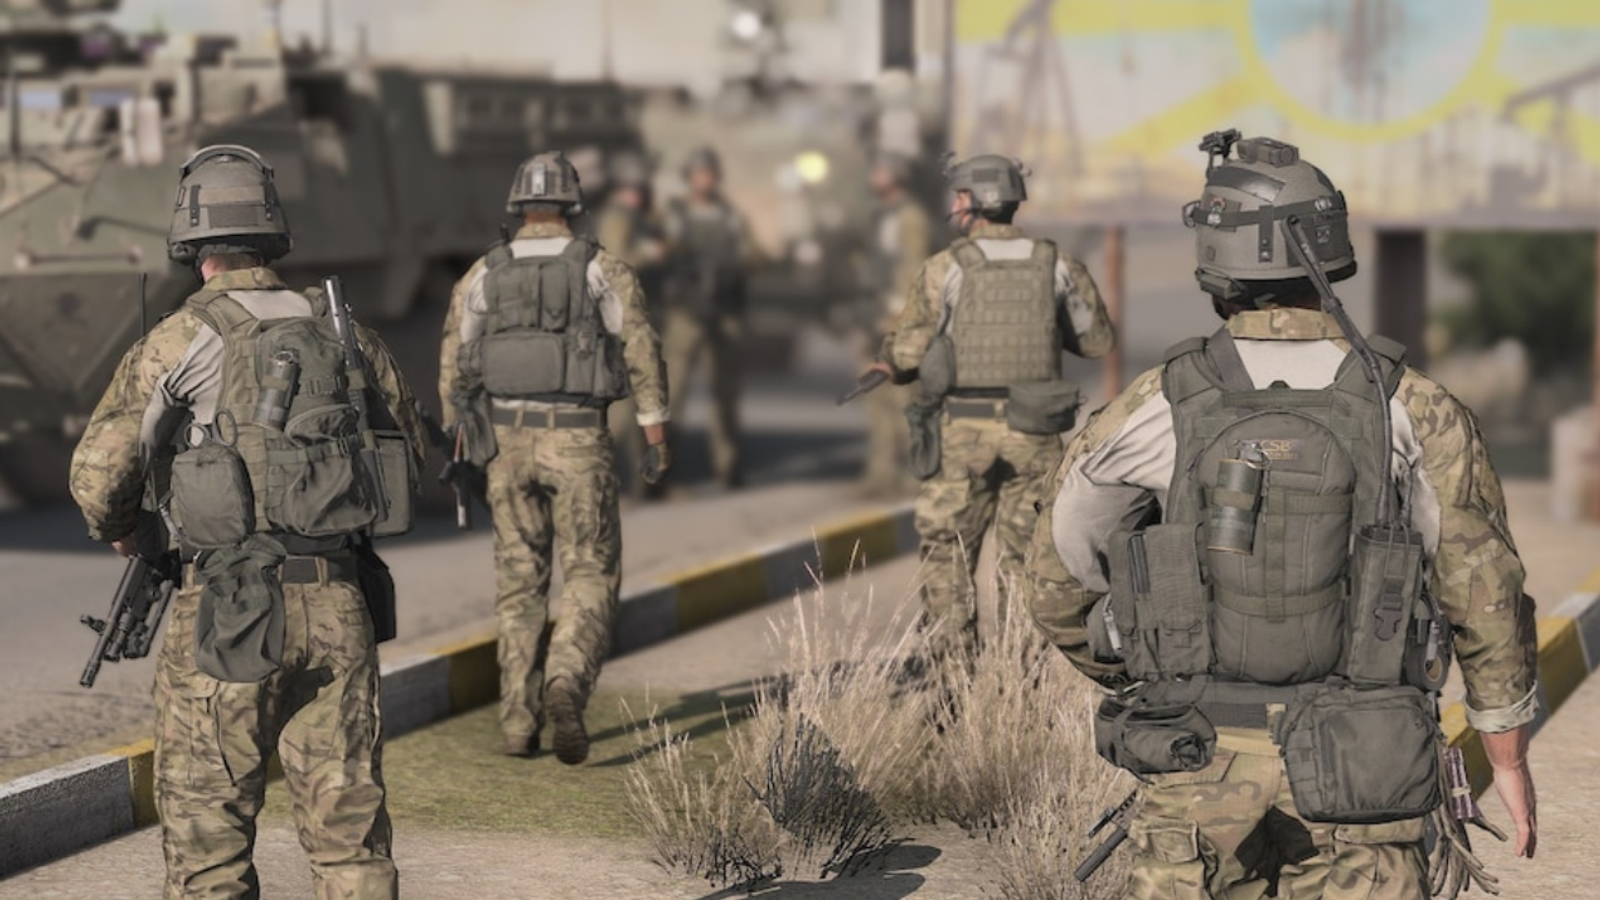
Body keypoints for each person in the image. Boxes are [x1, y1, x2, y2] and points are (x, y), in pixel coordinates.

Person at [1024, 132, 1539, 898]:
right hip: (1369, 766)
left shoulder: (1155, 403)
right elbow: (1484, 592)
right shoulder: (1414, 405)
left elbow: (1057, 578)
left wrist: (1144, 674)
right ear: (1329, 247)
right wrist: (1508, 755)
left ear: (1216, 257)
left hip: (1195, 758)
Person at [69, 144, 426, 899]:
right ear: (273, 233)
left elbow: (99, 475)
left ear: (191, 241)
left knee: (210, 843)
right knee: (351, 842)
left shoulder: (178, 338)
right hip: (339, 600)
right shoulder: (342, 331)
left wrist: (127, 530)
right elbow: (407, 456)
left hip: (227, 613)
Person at [439, 150, 670, 764]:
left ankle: (519, 722)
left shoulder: (483, 272)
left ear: (518, 206)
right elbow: (641, 348)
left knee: (519, 584)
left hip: (507, 444)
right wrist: (654, 435)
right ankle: (566, 678)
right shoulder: (601, 267)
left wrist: (462, 440)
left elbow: (454, 361)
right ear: (574, 205)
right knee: (589, 571)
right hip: (578, 441)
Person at [864, 153, 1113, 659]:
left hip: (963, 434)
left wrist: (889, 362)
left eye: (958, 196)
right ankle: (1020, 677)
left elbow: (909, 350)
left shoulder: (945, 266)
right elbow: (1096, 342)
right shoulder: (1057, 263)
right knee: (1028, 560)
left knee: (947, 556)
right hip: (1035, 434)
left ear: (971, 201)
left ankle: (954, 676)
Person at [660, 145, 763, 490]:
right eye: (698, 174)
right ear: (689, 177)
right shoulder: (674, 214)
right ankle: (660, 470)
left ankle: (728, 466)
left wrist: (733, 266)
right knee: (672, 393)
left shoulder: (731, 217)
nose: (704, 180)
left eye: (709, 174)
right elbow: (657, 252)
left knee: (725, 394)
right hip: (685, 313)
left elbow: (755, 255)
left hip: (724, 311)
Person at [856, 151, 933, 499]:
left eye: (881, 170)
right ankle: (881, 473)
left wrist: (901, 315)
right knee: (875, 395)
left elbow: (914, 266)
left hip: (897, 318)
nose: (875, 176)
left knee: (903, 399)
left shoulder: (909, 216)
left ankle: (913, 476)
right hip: (873, 314)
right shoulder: (879, 215)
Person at [596, 151, 670, 500]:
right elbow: (617, 259)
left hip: (634, 318)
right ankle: (605, 485)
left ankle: (644, 485)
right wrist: (651, 254)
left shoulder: (635, 216)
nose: (639, 193)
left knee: (645, 406)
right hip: (619, 322)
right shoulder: (617, 217)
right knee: (624, 412)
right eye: (634, 187)